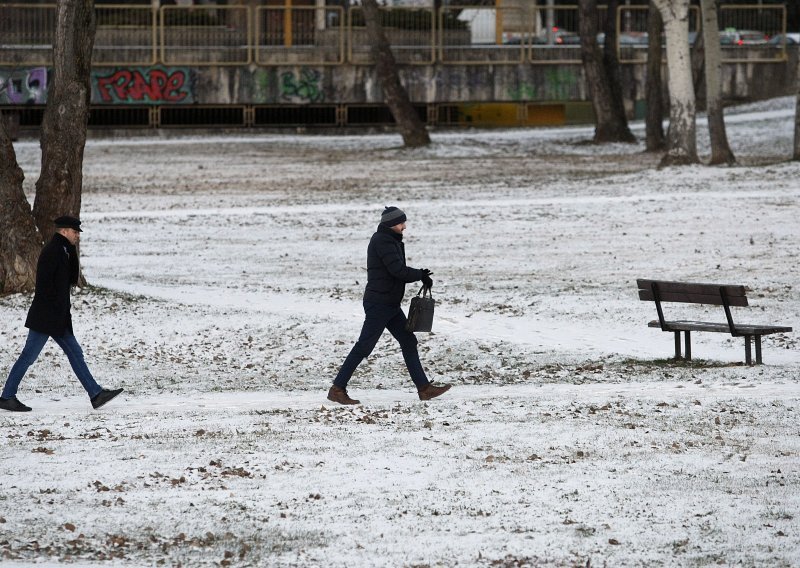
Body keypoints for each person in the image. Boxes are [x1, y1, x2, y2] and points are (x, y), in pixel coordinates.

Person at [328, 206, 451, 405]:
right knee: (364, 346)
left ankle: (424, 389)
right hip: (379, 304)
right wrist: (419, 274)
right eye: (402, 222)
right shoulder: (382, 241)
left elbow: (397, 270)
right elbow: (397, 270)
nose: (405, 226)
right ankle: (337, 389)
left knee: (408, 342)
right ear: (392, 224)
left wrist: (420, 276)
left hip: (390, 304)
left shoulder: (390, 240)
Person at [0, 216, 123, 412]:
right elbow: (45, 287)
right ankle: (7, 397)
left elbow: (71, 278)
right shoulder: (52, 252)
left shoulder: (64, 250)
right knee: (29, 356)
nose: (77, 236)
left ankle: (96, 394)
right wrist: (54, 314)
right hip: (47, 318)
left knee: (75, 353)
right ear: (64, 231)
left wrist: (72, 251)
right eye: (75, 232)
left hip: (56, 317)